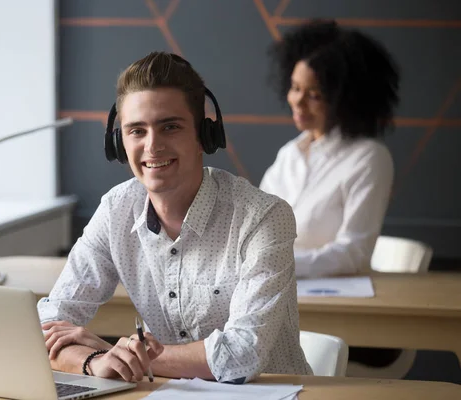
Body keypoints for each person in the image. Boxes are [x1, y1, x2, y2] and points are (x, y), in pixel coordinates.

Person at [38, 51, 311, 384]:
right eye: (137, 131)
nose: (153, 146)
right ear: (119, 143)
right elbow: (48, 326)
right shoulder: (116, 210)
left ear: (203, 136)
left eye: (170, 127)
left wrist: (133, 356)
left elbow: (241, 355)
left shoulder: (264, 217)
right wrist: (96, 360)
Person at [260, 19, 400, 279]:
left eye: (314, 94)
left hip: (333, 304)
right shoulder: (289, 155)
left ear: (344, 98)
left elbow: (353, 252)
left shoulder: (369, 158)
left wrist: (276, 265)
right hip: (272, 290)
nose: (298, 101)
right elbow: (256, 228)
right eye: (295, 88)